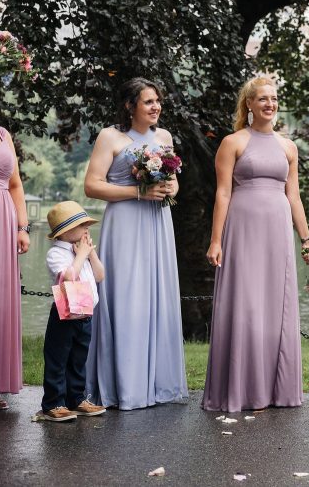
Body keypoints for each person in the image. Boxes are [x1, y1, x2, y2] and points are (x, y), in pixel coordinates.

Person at [202, 76, 309, 412]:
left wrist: (306, 240)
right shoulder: (233, 142)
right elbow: (223, 193)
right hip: (243, 227)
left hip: (277, 230)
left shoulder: (288, 147)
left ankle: (276, 390)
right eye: (263, 98)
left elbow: (293, 196)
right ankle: (240, 390)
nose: (270, 103)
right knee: (247, 304)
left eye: (274, 98)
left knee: (275, 306)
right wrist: (216, 240)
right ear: (249, 104)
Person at [84, 78, 189, 409]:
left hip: (158, 223)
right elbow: (92, 185)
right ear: (130, 106)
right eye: (148, 101)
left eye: (157, 101)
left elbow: (172, 181)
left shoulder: (164, 138)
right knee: (127, 297)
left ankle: (159, 385)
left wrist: (172, 188)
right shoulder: (110, 137)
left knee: (156, 295)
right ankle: (124, 387)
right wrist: (137, 192)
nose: (156, 106)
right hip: (126, 223)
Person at [37, 201, 107, 422]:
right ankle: (53, 404)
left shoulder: (81, 251)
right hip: (64, 316)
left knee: (78, 359)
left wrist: (90, 255)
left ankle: (75, 399)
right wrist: (80, 255)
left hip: (85, 314)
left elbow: (100, 276)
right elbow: (68, 277)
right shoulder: (56, 254)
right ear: (66, 231)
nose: (87, 229)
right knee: (58, 359)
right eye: (82, 225)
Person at [0, 124, 30, 411]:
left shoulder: (2, 134)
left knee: (0, 302)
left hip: (3, 220)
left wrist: (22, 227)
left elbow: (15, 184)